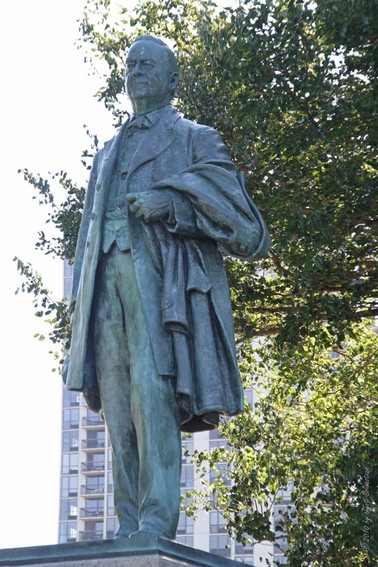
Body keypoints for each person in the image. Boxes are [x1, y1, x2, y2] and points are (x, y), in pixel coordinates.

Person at [63, 34, 270, 540]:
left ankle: (155, 523)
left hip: (159, 283)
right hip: (103, 284)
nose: (135, 70)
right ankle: (127, 523)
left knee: (151, 393)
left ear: (173, 80)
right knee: (115, 399)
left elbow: (248, 231)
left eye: (147, 64)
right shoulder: (106, 152)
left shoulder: (195, 138)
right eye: (130, 63)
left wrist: (173, 207)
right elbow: (90, 230)